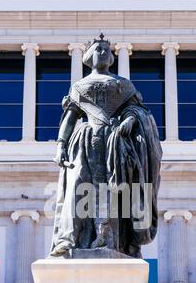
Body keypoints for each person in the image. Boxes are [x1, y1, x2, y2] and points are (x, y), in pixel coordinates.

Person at [50, 34, 162, 258]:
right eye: (98, 49)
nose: (103, 52)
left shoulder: (123, 85)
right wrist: (61, 144)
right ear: (90, 56)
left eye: (106, 49)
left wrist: (131, 119)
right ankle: (67, 239)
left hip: (114, 143)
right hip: (83, 141)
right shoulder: (80, 86)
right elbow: (70, 118)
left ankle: (108, 238)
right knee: (77, 188)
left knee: (111, 191)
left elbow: (140, 112)